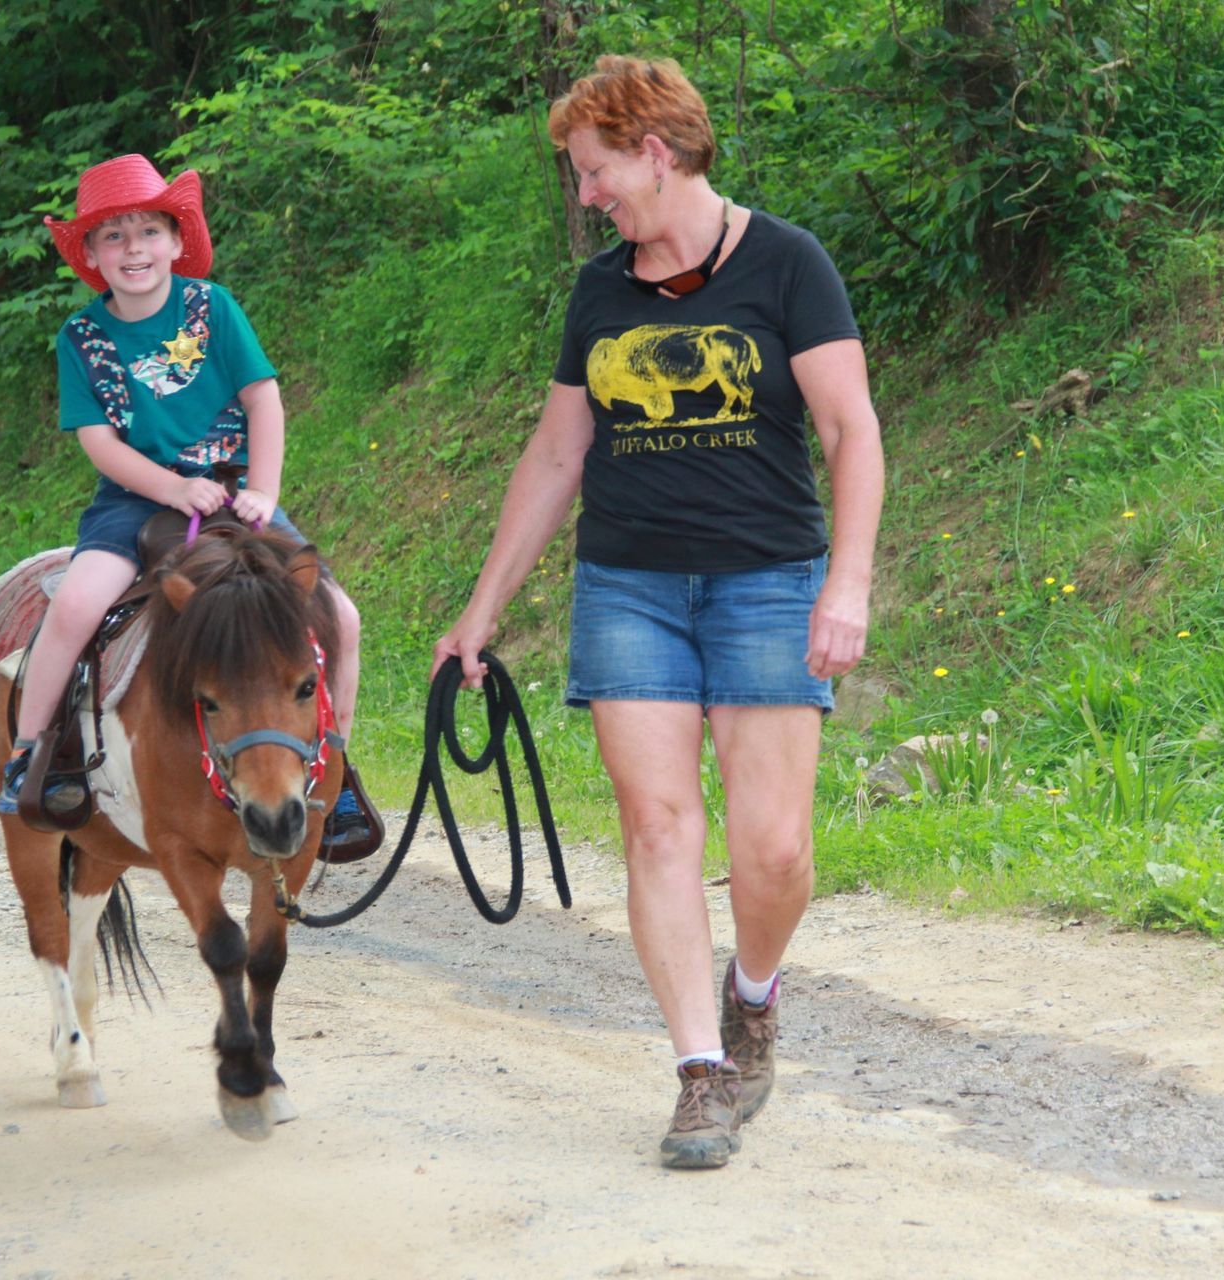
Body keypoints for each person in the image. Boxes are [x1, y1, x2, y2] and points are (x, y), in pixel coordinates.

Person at [433, 57, 884, 1170]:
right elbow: (555, 454)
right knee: (660, 827)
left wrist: (850, 580)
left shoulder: (787, 265)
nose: (588, 197)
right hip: (630, 585)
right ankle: (698, 1071)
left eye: (595, 172)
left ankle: (753, 991)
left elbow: (852, 430)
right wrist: (481, 608)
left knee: (773, 848)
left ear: (655, 150)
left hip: (769, 578)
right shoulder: (601, 293)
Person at [1, 152, 372, 856]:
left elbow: (264, 398)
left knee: (341, 617)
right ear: (90, 254)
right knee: (78, 606)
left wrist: (262, 490)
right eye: (113, 235)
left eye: (148, 231)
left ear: (177, 241)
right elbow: (97, 440)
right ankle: (34, 751)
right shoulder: (82, 339)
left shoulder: (213, 308)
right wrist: (170, 488)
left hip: (236, 491)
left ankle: (337, 770)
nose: (133, 248)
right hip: (135, 497)